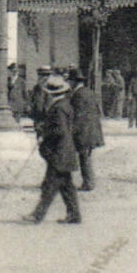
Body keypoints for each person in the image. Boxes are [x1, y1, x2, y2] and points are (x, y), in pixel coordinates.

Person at [23, 74, 81, 224]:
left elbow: (60, 130)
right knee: (66, 185)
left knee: (50, 185)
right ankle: (74, 215)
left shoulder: (58, 108)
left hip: (59, 152)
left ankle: (37, 215)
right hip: (65, 150)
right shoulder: (65, 105)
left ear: (51, 93)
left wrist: (44, 134)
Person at [68, 68, 104, 192]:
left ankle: (88, 183)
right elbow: (98, 111)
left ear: (74, 81)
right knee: (86, 156)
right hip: (91, 129)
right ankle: (88, 182)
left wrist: (71, 130)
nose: (69, 84)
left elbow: (79, 115)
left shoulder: (78, 95)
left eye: (70, 81)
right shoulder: (89, 92)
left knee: (84, 157)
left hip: (84, 131)